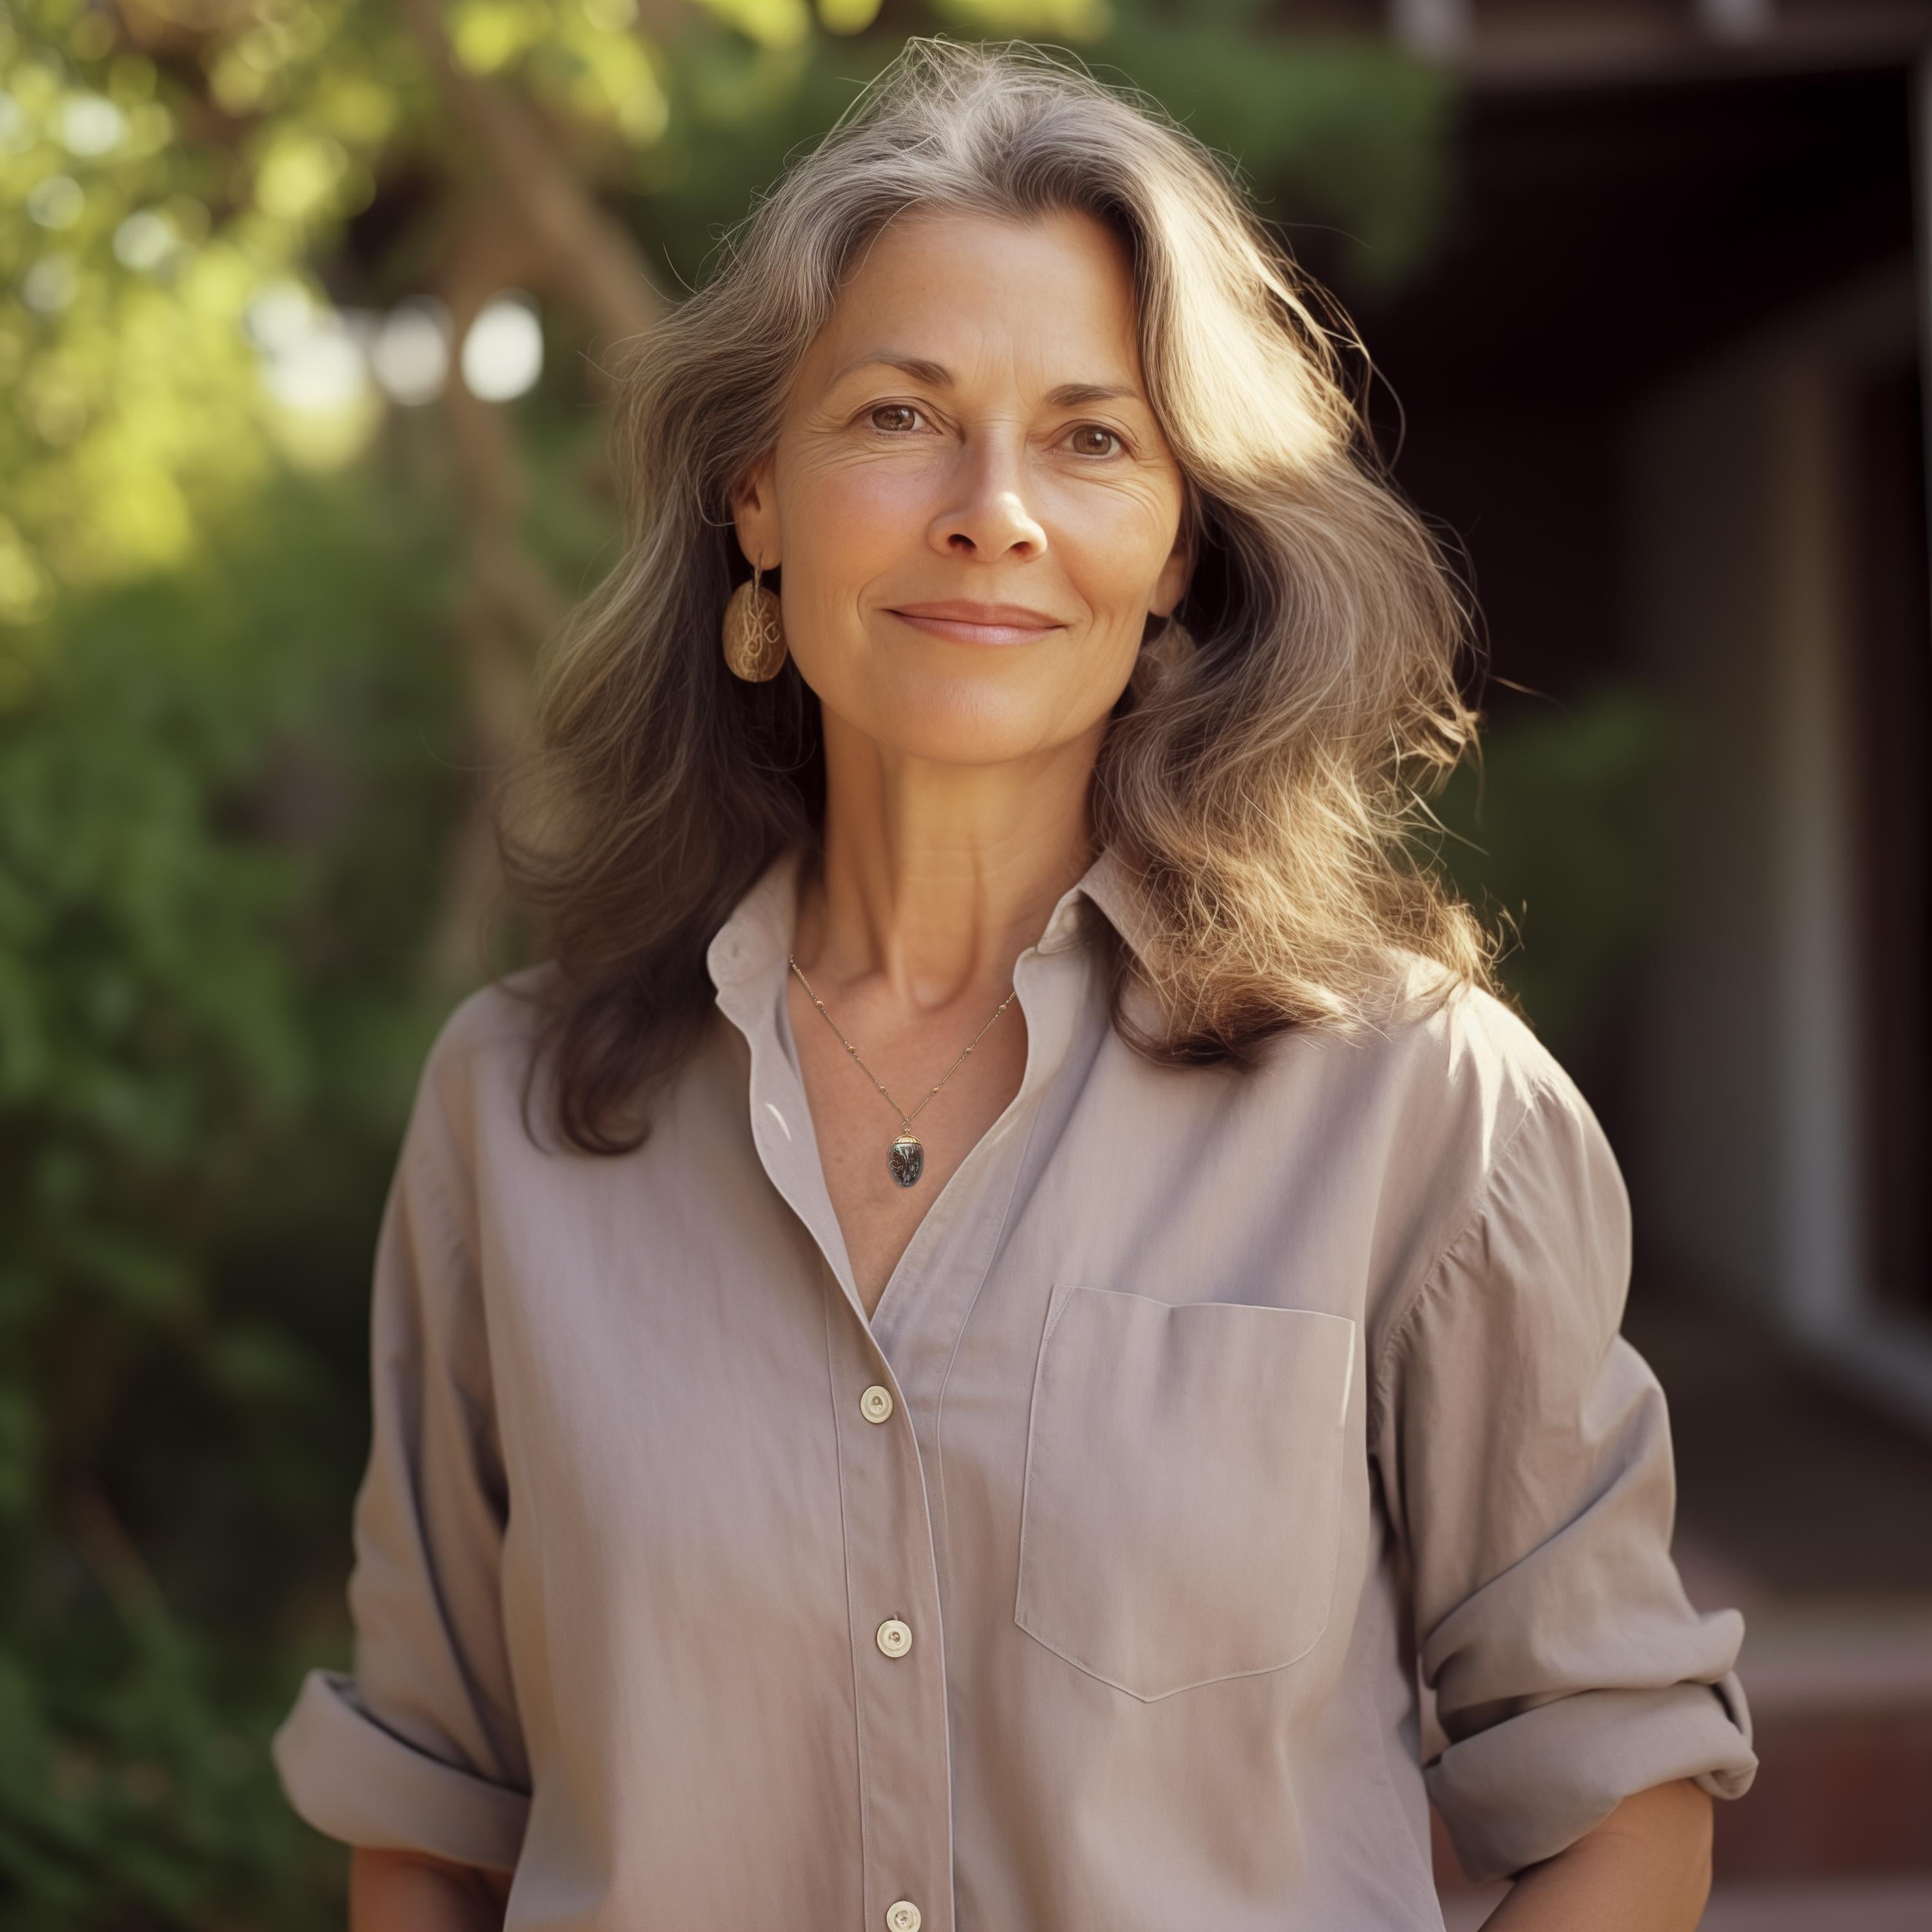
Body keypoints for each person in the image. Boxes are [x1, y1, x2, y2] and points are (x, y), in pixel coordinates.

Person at [270, 35, 1756, 1932]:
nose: (993, 508)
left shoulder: (1416, 1109)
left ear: (1177, 545)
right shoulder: (516, 1117)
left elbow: (1621, 1801)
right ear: (758, 500)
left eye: (1092, 437)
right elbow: (431, 1812)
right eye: (897, 415)